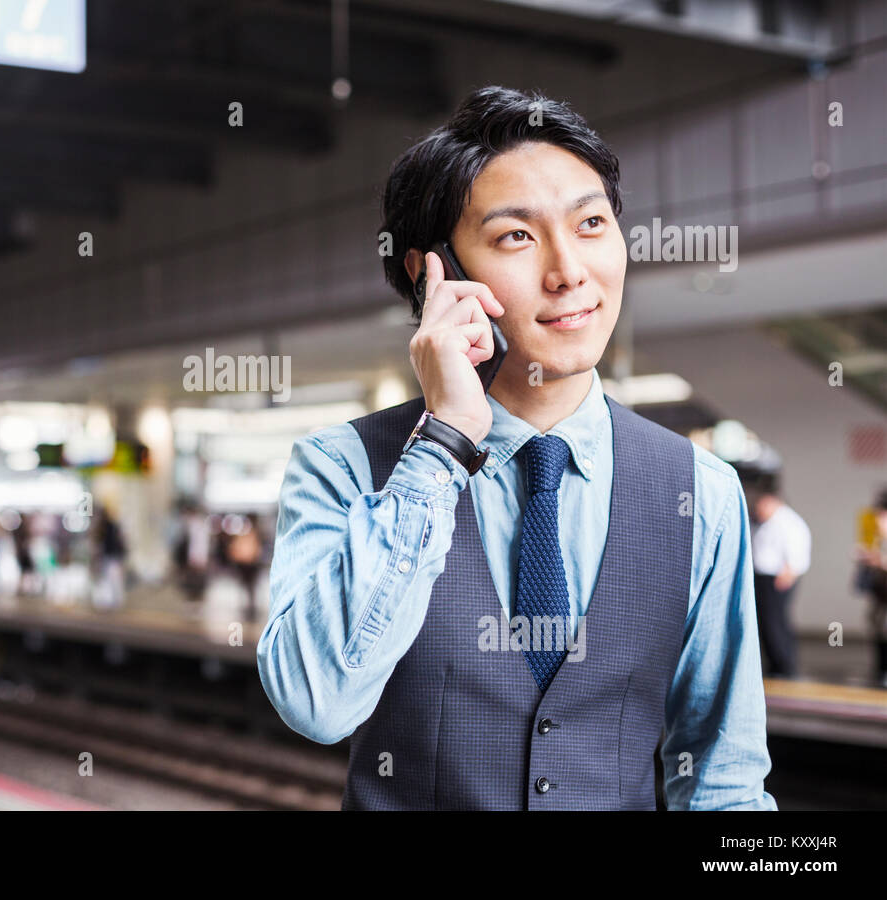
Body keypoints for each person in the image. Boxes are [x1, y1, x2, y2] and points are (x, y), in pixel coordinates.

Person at [257, 86, 776, 810]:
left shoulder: (702, 490)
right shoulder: (343, 466)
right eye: (516, 237)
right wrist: (440, 448)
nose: (569, 271)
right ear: (430, 271)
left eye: (592, 223)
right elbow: (314, 702)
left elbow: (722, 779)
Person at [746, 473, 811, 679]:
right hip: (762, 577)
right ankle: (774, 663)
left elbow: (798, 551)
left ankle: (784, 664)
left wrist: (790, 571)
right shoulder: (763, 522)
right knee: (765, 622)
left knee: (776, 621)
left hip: (778, 577)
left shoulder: (789, 522)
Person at [854, 489, 887, 688]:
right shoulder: (876, 537)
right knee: (878, 629)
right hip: (880, 594)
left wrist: (880, 561)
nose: (878, 521)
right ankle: (881, 670)